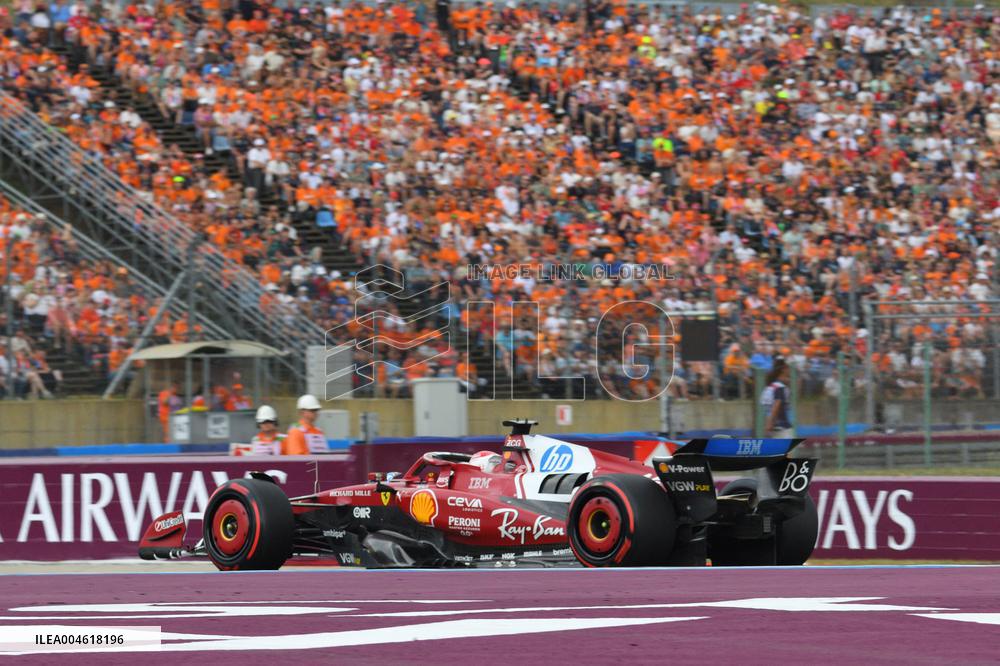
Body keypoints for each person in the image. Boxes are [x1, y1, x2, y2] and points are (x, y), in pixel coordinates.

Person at [761, 359, 794, 438]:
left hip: (774, 427)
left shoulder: (770, 386)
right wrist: (769, 424)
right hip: (782, 427)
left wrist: (768, 424)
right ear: (783, 369)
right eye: (788, 368)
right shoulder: (780, 387)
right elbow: (776, 405)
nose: (789, 370)